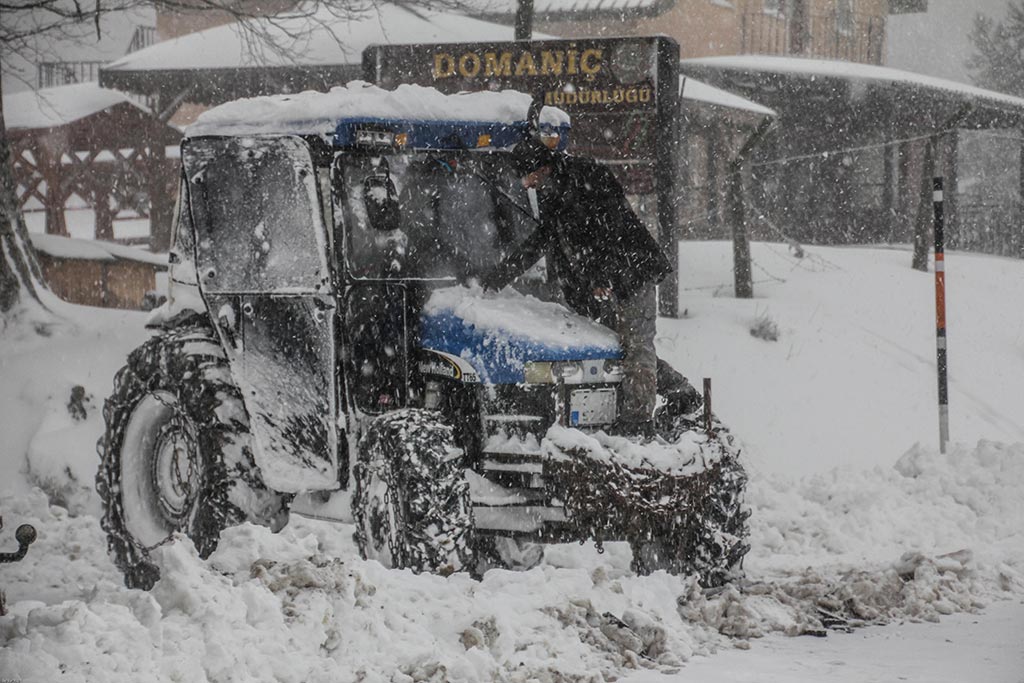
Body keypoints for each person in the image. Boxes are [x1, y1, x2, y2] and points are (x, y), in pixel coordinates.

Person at [479, 135, 673, 436]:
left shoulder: (587, 177)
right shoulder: (550, 193)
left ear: (540, 168)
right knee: (615, 349)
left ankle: (637, 426)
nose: (525, 185)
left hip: (634, 271)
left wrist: (599, 275)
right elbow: (542, 239)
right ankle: (679, 395)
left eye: (526, 177)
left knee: (636, 348)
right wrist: (501, 275)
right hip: (605, 283)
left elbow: (613, 228)